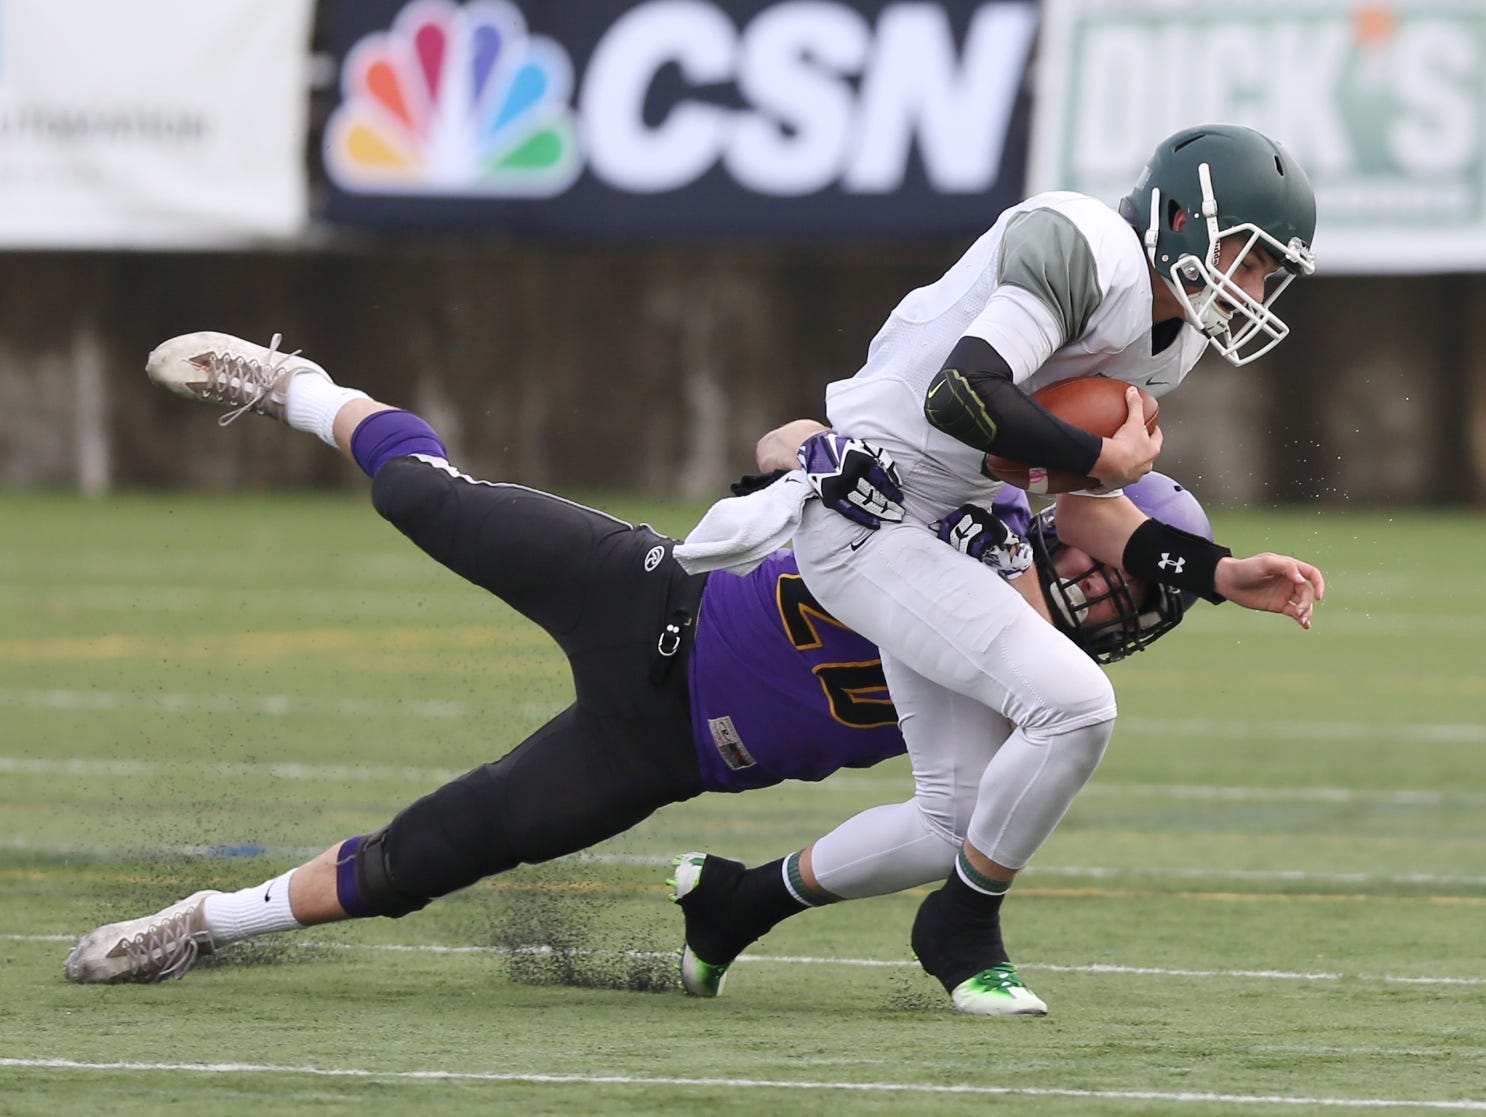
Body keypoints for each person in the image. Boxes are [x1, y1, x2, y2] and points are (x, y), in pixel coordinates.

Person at [64, 332, 1197, 985]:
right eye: (1112, 563)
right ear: (1075, 519)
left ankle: (205, 921)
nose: (1101, 592)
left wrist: (774, 892)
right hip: (651, 599)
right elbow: (786, 443)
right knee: (419, 492)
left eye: (1128, 595)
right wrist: (822, 459)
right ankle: (301, 388)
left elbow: (945, 823)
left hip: (657, 749)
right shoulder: (969, 504)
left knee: (422, 861)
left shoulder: (1024, 694)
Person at [672, 122, 1326, 1016]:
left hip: (949, 522)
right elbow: (964, 393)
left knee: (955, 820)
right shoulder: (1080, 246)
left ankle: (733, 907)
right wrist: (1100, 459)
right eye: (1245, 258)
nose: (1251, 288)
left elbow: (1078, 493)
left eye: (1267, 273)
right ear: (1179, 217)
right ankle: (963, 929)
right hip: (869, 512)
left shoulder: (1172, 341)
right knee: (1075, 705)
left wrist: (1215, 572)